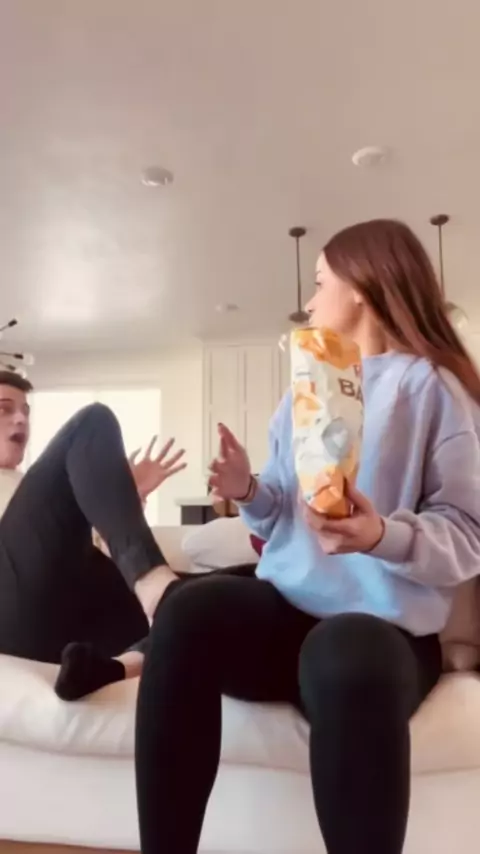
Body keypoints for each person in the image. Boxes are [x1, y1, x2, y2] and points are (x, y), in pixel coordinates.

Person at [134, 219, 480, 854]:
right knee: (186, 611)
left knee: (342, 648)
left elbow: (466, 534)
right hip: (286, 618)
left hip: (383, 634)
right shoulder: (307, 387)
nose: (310, 300)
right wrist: (248, 490)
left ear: (361, 288)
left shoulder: (434, 388)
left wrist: (381, 536)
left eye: (320, 283)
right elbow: (282, 516)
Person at [0, 372, 188, 687]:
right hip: (12, 615)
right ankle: (155, 586)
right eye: (4, 409)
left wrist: (126, 497)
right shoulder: (30, 499)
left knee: (223, 588)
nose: (20, 419)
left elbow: (90, 556)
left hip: (68, 624)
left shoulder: (28, 487)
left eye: (25, 412)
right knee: (92, 421)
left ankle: (120, 666)